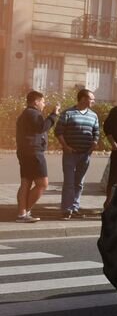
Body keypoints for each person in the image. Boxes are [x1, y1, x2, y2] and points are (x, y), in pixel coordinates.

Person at [54, 88, 100, 219]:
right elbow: (58, 131)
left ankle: (75, 207)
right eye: (92, 99)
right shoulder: (68, 113)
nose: (93, 101)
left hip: (85, 154)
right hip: (70, 153)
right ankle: (66, 209)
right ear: (83, 99)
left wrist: (94, 144)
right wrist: (66, 146)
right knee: (69, 182)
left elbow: (96, 131)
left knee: (79, 183)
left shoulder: (93, 115)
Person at [15, 90, 59, 223]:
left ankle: (22, 213)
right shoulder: (33, 113)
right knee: (42, 184)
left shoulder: (26, 113)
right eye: (43, 102)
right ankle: (25, 212)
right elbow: (42, 127)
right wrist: (53, 115)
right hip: (34, 152)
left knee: (26, 182)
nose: (44, 105)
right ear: (36, 102)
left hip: (25, 151)